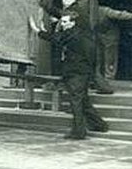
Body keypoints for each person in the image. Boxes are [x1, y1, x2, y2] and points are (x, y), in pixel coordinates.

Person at [33, 11, 109, 139]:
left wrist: (37, 31)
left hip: (76, 73)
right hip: (82, 72)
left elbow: (57, 38)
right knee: (83, 100)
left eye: (65, 22)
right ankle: (99, 125)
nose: (62, 24)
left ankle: (79, 131)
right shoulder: (81, 33)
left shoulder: (73, 34)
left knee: (76, 102)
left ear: (72, 23)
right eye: (61, 22)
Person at [95, 5, 132, 92]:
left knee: (110, 59)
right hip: (96, 38)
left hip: (109, 38)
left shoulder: (104, 11)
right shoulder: (85, 11)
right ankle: (99, 82)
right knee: (97, 60)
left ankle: (109, 81)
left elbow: (120, 15)